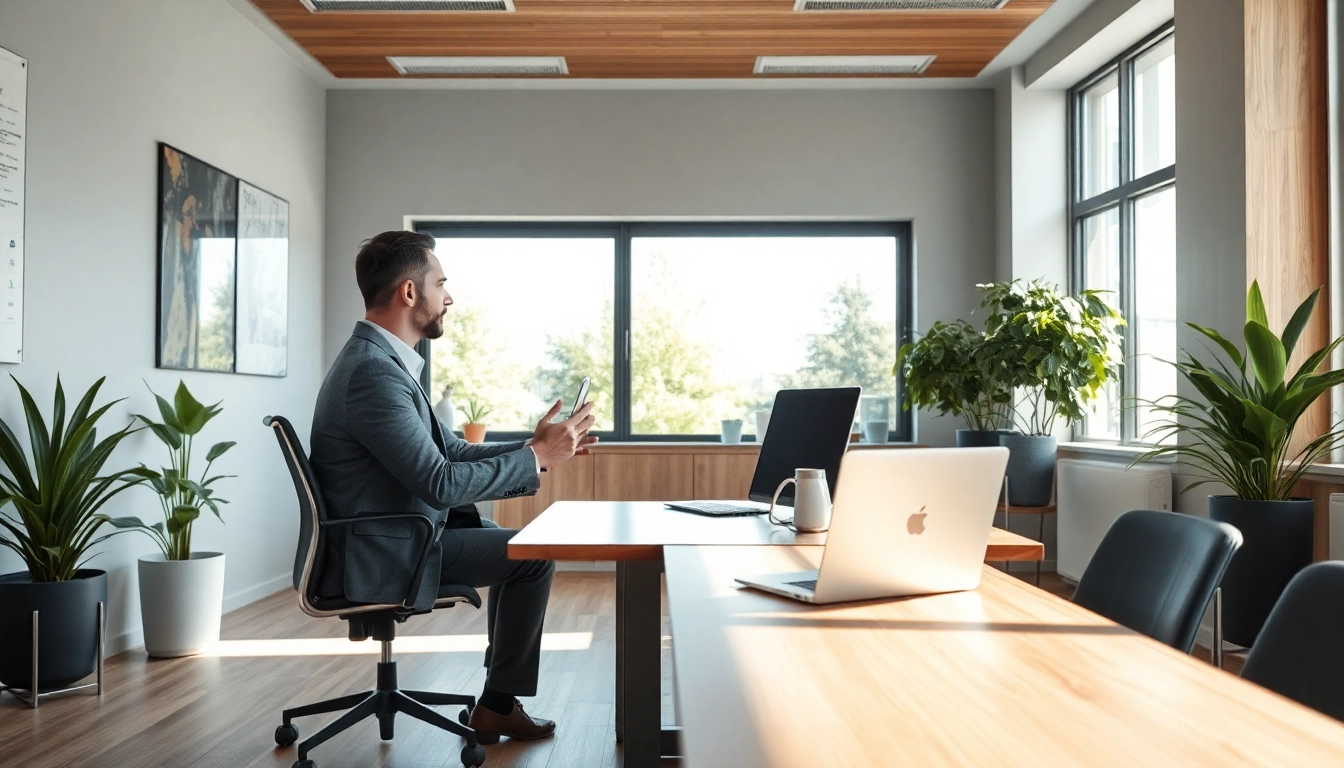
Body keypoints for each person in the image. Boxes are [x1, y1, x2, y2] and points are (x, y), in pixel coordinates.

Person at [310, 229, 597, 744]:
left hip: (393, 538)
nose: (450, 296)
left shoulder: (384, 364)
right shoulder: (373, 374)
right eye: (441, 283)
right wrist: (536, 457)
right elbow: (440, 483)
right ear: (409, 293)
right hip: (384, 553)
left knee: (517, 546)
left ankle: (497, 701)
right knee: (532, 555)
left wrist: (534, 449)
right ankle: (497, 706)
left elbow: (450, 452)